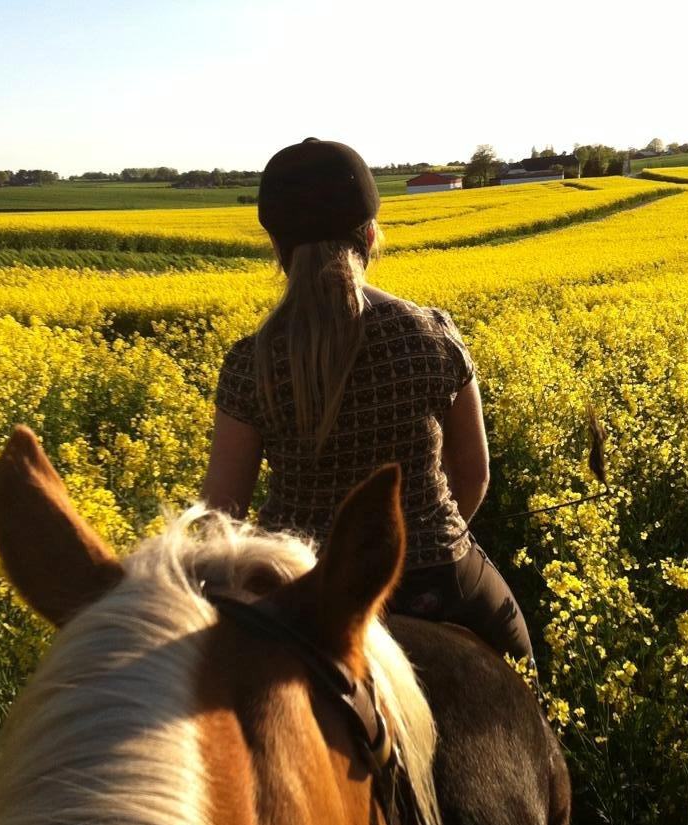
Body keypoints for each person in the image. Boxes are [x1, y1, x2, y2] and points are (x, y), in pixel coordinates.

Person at [201, 138, 531, 664]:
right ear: (372, 235)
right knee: (519, 663)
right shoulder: (431, 334)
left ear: (277, 248)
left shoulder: (251, 362)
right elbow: (474, 474)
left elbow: (222, 512)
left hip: (304, 590)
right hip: (433, 577)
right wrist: (424, 543)